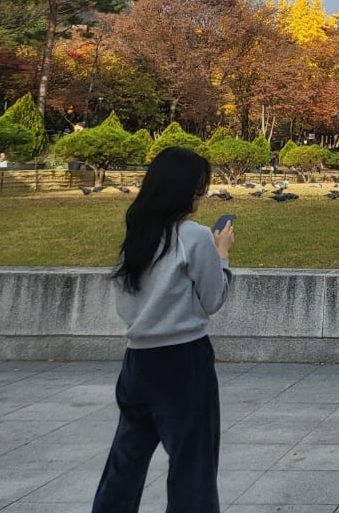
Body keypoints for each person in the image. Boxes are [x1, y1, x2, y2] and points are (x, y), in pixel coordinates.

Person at [91, 146, 234, 513]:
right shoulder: (195, 236)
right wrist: (222, 255)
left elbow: (127, 299)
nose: (201, 196)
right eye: (199, 188)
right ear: (186, 190)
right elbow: (213, 299)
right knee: (192, 466)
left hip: (137, 360)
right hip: (183, 359)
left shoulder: (137, 233)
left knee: (125, 462)